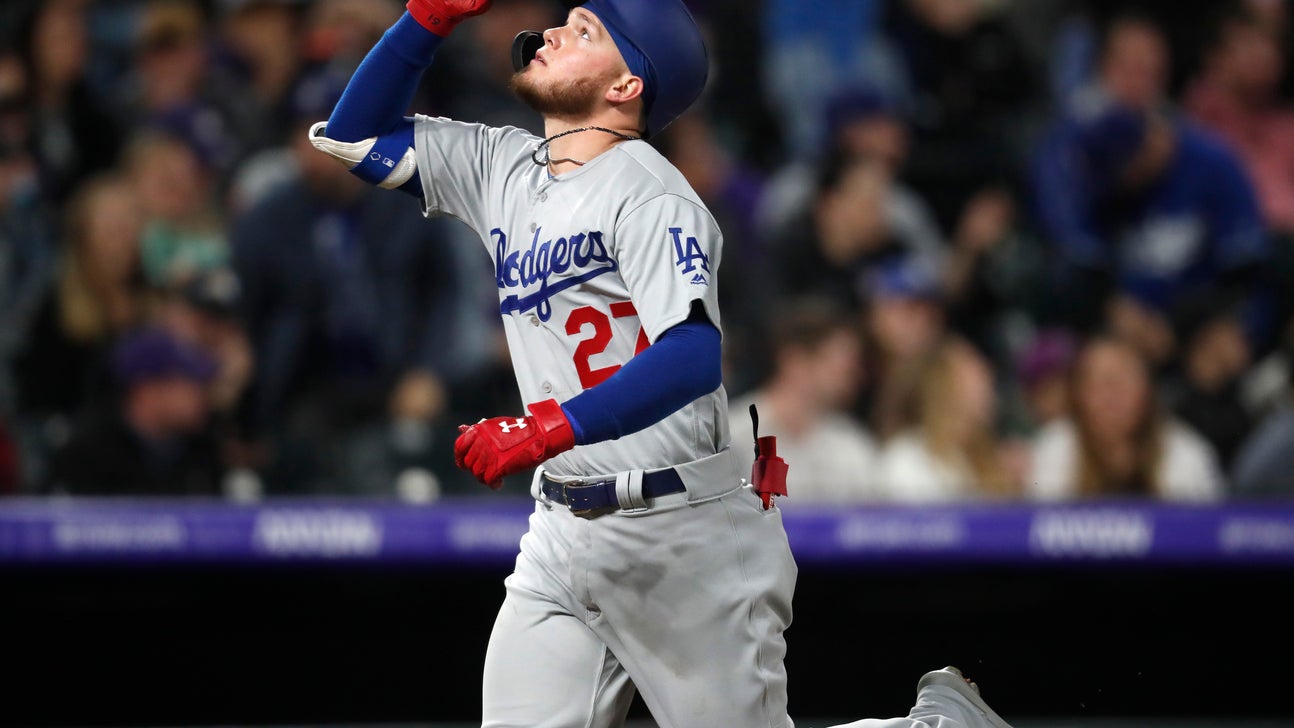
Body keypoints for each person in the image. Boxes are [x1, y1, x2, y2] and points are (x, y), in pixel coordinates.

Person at [310, 1, 1013, 726]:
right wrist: (422, 22)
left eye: (584, 31)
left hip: (682, 531)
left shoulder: (652, 193)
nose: (552, 31)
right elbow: (353, 134)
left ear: (625, 87)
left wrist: (549, 427)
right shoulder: (500, 166)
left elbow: (692, 355)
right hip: (561, 531)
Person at [1027, 336, 1224, 501]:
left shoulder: (1188, 454)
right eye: (1100, 381)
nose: (1112, 394)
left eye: (1124, 379)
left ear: (1148, 390)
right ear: (1078, 394)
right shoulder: (1054, 447)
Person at [729, 299, 880, 503]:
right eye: (843, 365)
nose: (854, 375)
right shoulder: (732, 435)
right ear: (796, 361)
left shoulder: (850, 445)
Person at [45, 327, 223, 497]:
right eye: (191, 383)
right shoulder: (86, 455)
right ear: (147, 392)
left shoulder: (203, 451)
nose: (203, 395)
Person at [875, 336, 1015, 502]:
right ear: (944, 388)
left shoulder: (973, 456)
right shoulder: (907, 458)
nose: (988, 376)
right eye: (974, 370)